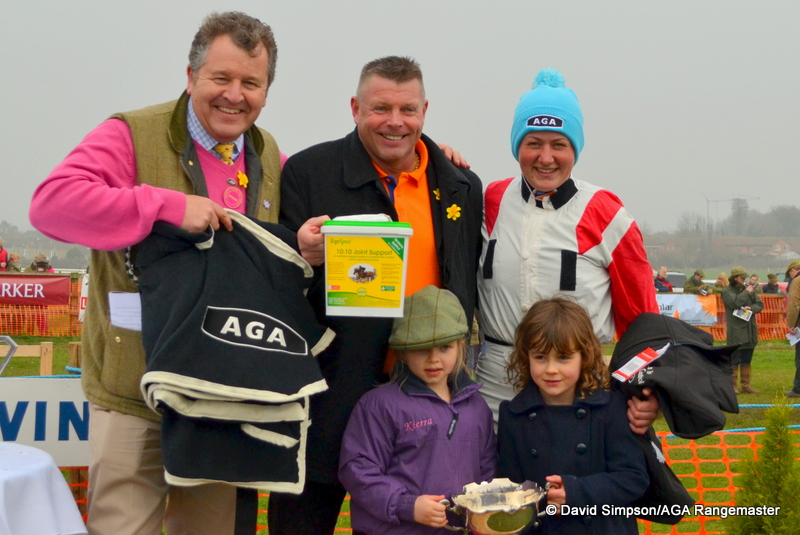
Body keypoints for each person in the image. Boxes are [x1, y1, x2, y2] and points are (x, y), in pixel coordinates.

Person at [29, 12, 285, 535]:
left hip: (219, 396)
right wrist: (165, 206)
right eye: (221, 78)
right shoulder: (130, 134)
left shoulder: (269, 155)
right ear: (190, 76)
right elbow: (51, 206)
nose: (234, 95)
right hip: (134, 391)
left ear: (266, 91)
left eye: (251, 83)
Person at [272, 56, 484, 535]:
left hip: (425, 397)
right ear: (355, 108)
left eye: (408, 109)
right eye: (380, 108)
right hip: (329, 398)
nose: (395, 122)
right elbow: (278, 280)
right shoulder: (309, 172)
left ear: (425, 111)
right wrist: (302, 252)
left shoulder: (460, 186)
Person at [476, 68, 658, 421]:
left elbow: (644, 320)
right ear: (517, 147)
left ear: (575, 149)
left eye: (559, 144)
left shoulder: (606, 212)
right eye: (533, 143)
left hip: (582, 391)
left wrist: (646, 392)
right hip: (497, 392)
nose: (546, 157)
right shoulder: (489, 200)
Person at [339, 286, 495, 534]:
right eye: (422, 348)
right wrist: (406, 505)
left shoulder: (477, 407)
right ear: (403, 352)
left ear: (461, 346)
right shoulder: (379, 405)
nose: (433, 358)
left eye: (445, 347)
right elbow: (358, 470)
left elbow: (487, 470)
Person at [496, 297, 648, 535]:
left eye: (564, 357)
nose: (551, 369)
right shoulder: (514, 415)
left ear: (584, 357)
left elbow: (633, 479)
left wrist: (577, 491)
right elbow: (510, 489)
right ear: (526, 357)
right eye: (540, 357)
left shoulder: (609, 408)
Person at [722, 266, 763, 394]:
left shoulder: (747, 289)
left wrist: (751, 308)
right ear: (735, 278)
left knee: (747, 359)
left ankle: (745, 385)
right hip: (736, 330)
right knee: (734, 360)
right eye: (742, 277)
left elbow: (759, 304)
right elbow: (735, 303)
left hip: (750, 330)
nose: (745, 279)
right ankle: (733, 386)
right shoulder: (727, 291)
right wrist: (747, 292)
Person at [784, 261, 800, 397]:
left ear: (793, 271)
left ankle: (798, 389)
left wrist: (791, 324)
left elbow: (794, 304)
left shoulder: (796, 281)